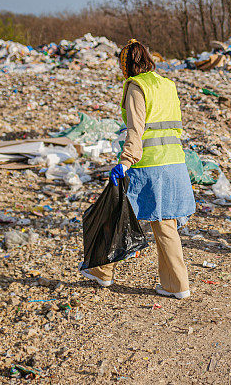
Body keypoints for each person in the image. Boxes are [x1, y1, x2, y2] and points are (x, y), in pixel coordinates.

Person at [80, 39, 196, 298]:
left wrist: (125, 161)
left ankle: (102, 272)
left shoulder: (136, 87)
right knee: (165, 223)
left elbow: (137, 128)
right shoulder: (167, 85)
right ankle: (177, 286)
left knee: (115, 212)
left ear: (126, 66)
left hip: (149, 165)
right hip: (175, 161)